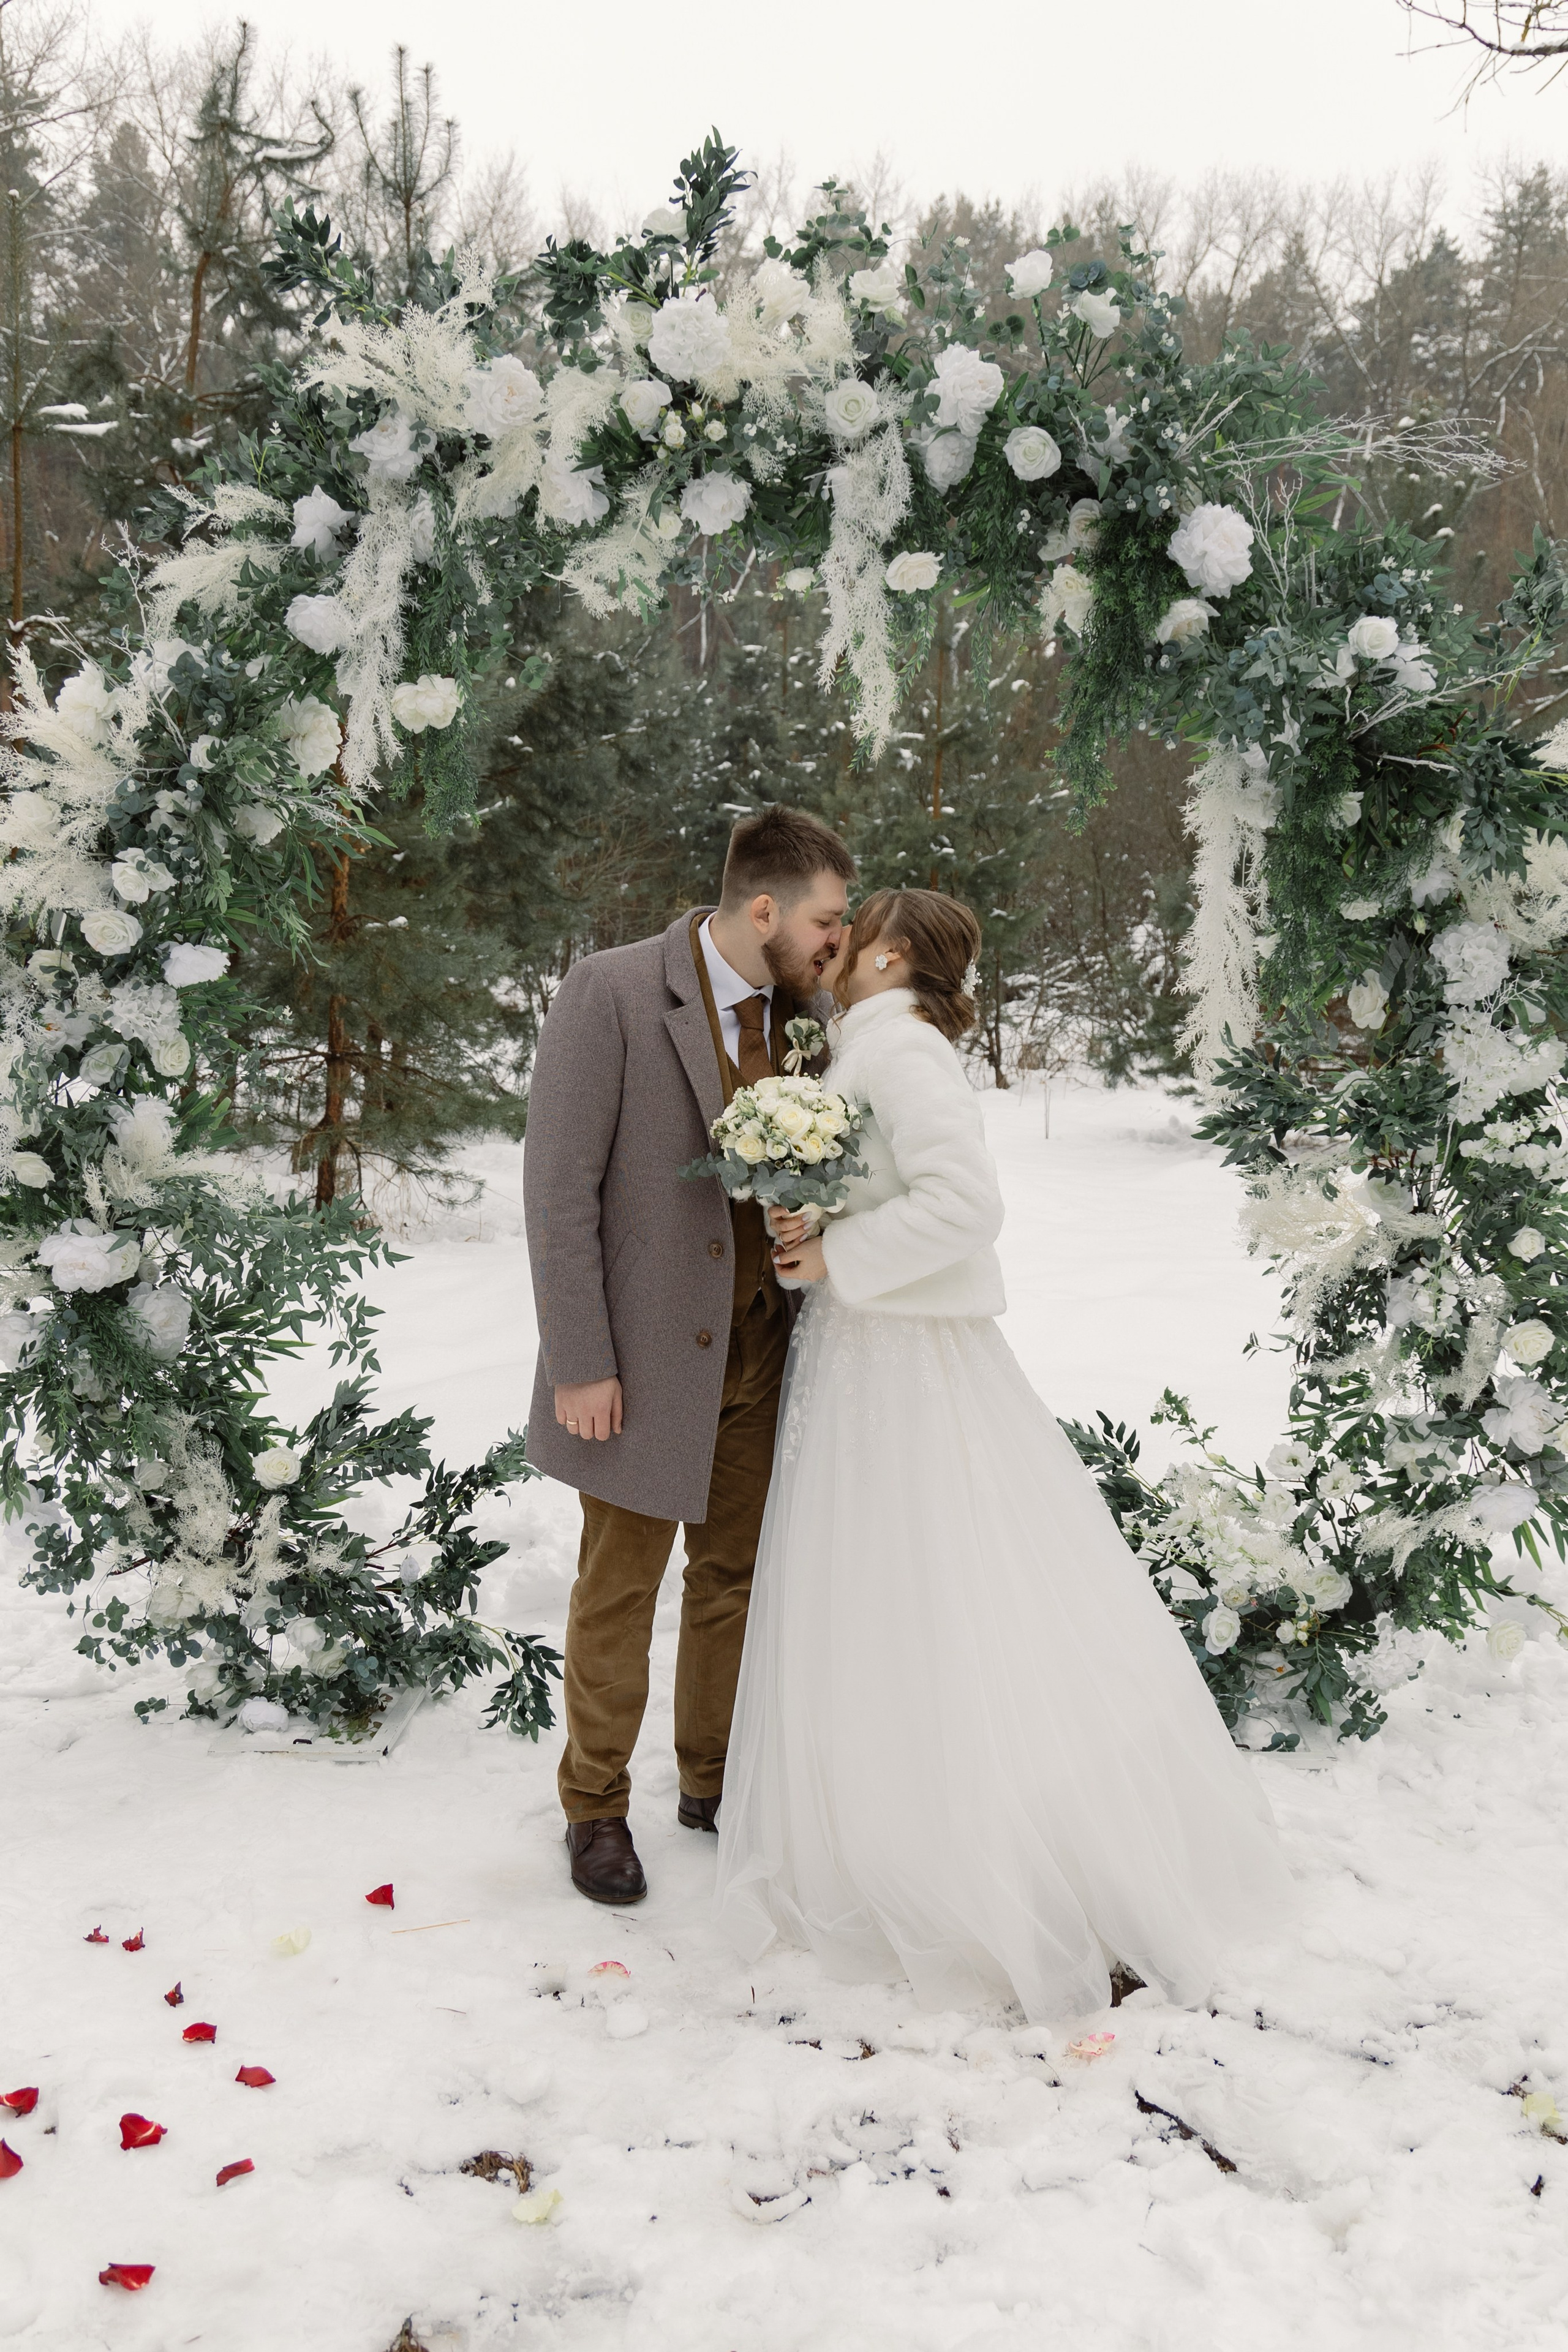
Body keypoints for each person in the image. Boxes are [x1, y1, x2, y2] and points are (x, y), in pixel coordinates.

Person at [715, 888, 1293, 2021]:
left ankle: (969, 1840)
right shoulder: (869, 1047)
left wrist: (843, 1257)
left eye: (849, 931)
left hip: (909, 1365)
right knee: (876, 1589)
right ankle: (886, 1809)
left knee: (935, 1583)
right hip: (862, 1355)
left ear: (887, 953)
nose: (829, 949)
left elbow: (966, 1208)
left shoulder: (904, 1055)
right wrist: (810, 1232)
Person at [524, 806, 854, 1904]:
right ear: (762, 908)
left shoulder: (807, 1016)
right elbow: (559, 1191)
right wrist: (581, 1356)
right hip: (639, 1362)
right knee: (618, 1588)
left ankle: (710, 1780)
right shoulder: (610, 992)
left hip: (765, 1352)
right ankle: (595, 1806)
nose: (834, 945)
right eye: (824, 921)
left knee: (734, 1578)